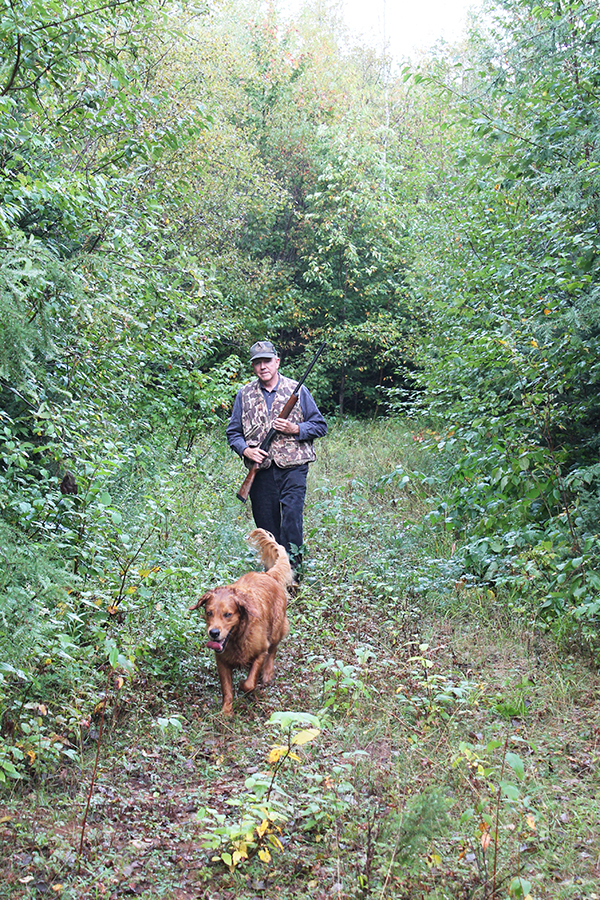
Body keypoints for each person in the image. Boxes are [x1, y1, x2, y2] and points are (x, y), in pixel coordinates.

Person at [226, 340, 327, 577]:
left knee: (291, 520)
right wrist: (246, 451)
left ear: (277, 362)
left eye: (267, 361)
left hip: (293, 468)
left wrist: (295, 429)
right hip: (261, 471)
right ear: (253, 367)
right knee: (266, 526)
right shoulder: (244, 394)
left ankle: (295, 576)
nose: (263, 367)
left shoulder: (298, 390)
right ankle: (273, 579)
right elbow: (233, 432)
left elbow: (320, 425)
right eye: (257, 363)